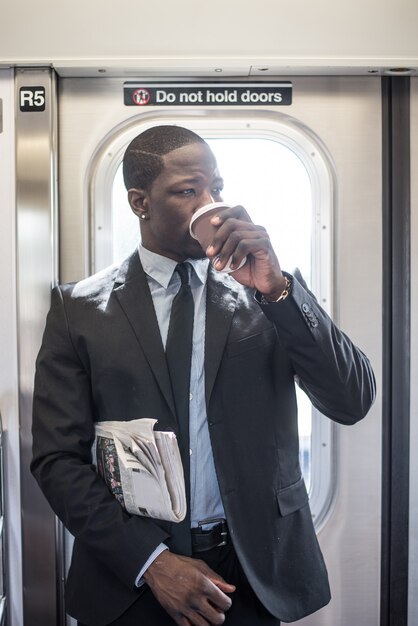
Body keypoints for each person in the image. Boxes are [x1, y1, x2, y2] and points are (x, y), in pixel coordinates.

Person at [31, 125, 376, 626]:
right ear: (139, 202)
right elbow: (57, 459)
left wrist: (276, 289)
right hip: (129, 579)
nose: (210, 203)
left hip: (253, 574)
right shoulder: (78, 309)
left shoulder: (268, 293)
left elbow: (352, 400)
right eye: (189, 190)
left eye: (216, 188)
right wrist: (152, 563)